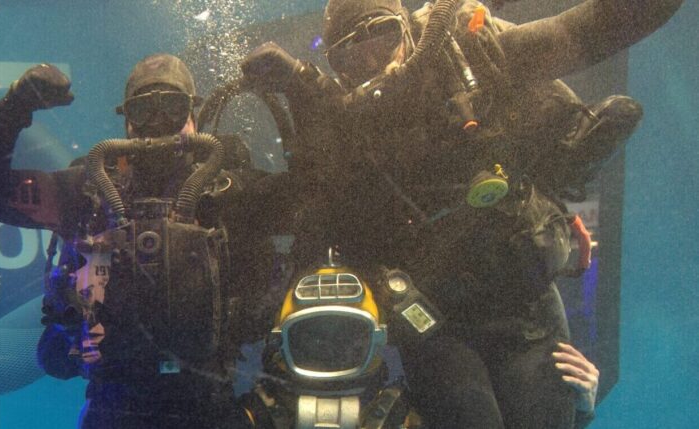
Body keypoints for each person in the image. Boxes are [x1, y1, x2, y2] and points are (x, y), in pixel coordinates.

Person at [238, 0, 681, 427]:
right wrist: (297, 86)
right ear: (336, 67)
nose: (372, 62)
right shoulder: (347, 128)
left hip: (525, 304)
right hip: (436, 322)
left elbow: (591, 28)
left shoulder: (472, 59)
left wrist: (581, 409)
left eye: (381, 35)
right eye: (351, 54)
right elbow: (313, 202)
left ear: (408, 28)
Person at [0, 54, 260, 428]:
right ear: (127, 118)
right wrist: (16, 106)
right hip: (116, 407)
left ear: (193, 113)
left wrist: (301, 85)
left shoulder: (227, 192)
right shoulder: (86, 191)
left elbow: (326, 192)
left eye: (173, 106)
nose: (159, 121)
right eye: (144, 108)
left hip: (210, 408)